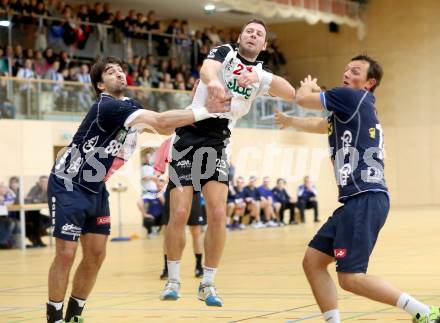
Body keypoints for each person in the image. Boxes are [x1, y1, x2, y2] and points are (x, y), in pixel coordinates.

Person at [45, 56, 230, 323]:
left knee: (96, 254)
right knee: (66, 253)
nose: (120, 74)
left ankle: (75, 314)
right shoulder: (107, 106)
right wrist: (205, 109)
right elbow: (163, 121)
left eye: (121, 70)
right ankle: (54, 316)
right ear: (100, 84)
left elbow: (162, 126)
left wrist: (198, 103)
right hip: (68, 183)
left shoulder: (130, 107)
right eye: (111, 72)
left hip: (96, 187)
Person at [275, 55, 440, 323]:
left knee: (351, 278)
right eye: (346, 69)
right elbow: (319, 125)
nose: (347, 73)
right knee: (313, 261)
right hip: (355, 201)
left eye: (355, 71)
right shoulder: (354, 109)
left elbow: (302, 99)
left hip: (365, 197)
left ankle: (422, 311)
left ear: (369, 83)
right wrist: (291, 121)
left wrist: (307, 86)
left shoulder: (351, 98)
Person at [161, 18, 295, 307]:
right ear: (240, 36)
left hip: (218, 142)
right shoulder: (224, 53)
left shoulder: (260, 75)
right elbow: (207, 68)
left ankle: (207, 283)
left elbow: (290, 92)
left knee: (219, 214)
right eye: (249, 31)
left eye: (259, 33)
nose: (253, 35)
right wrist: (213, 84)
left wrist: (258, 80)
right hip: (188, 135)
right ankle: (173, 279)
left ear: (264, 44)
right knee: (180, 211)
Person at [160, 183, 206, 280]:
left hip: (193, 187)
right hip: (174, 187)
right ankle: (167, 268)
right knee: (170, 230)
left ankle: (199, 266)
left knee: (195, 230)